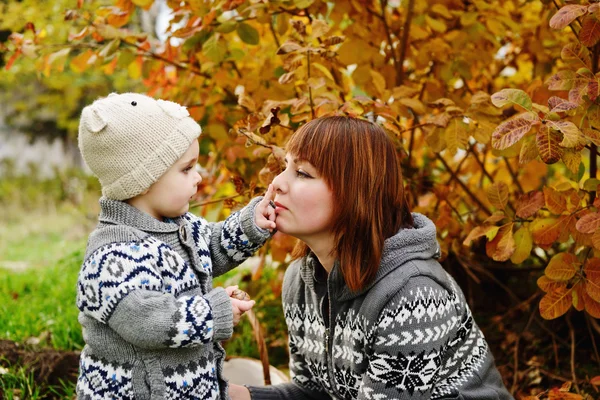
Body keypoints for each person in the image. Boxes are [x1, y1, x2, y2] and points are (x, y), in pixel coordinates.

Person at [229, 116, 513, 399]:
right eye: (284, 167)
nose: (277, 182)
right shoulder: (301, 283)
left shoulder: (413, 296)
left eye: (302, 173)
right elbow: (313, 393)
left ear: (355, 192)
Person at [76, 92, 276, 399]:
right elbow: (148, 322)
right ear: (142, 180)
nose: (198, 178)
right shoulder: (113, 255)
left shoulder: (181, 225)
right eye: (186, 169)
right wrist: (213, 311)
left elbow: (211, 247)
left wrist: (252, 224)